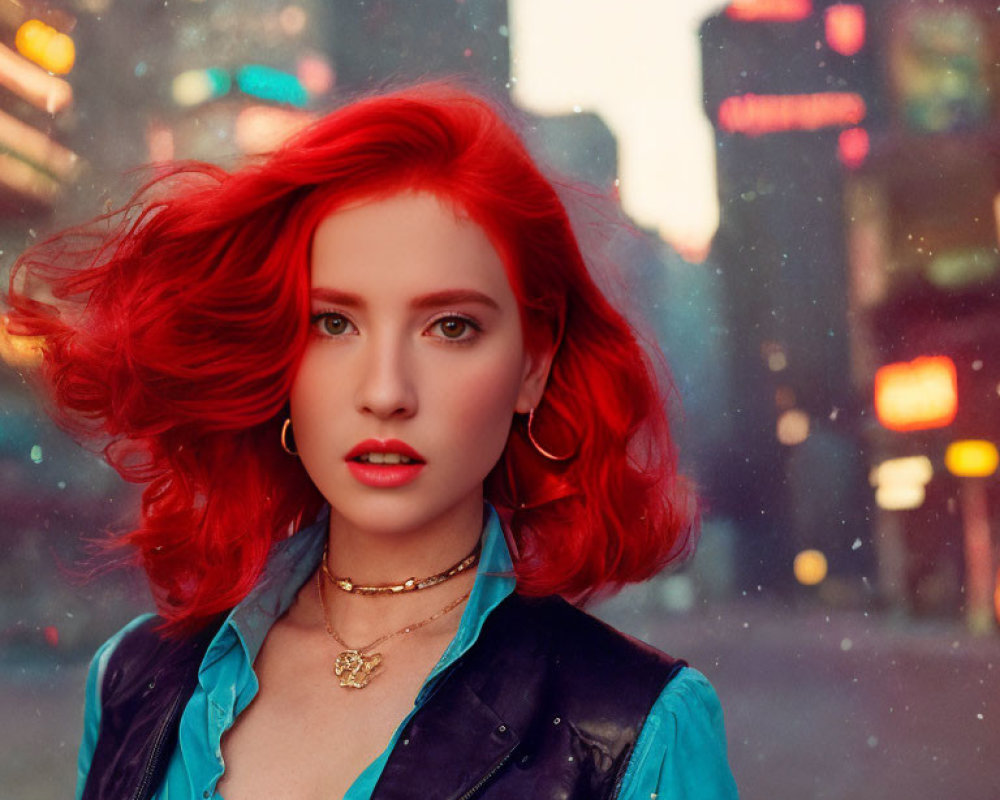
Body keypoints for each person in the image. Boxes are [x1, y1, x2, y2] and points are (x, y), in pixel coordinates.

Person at [6, 82, 739, 799]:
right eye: (334, 323)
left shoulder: (636, 730)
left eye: (451, 326)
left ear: (532, 367)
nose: (386, 391)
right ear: (279, 353)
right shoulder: (133, 681)